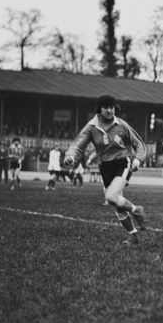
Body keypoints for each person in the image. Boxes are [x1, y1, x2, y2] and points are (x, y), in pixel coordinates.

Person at [64, 95, 147, 244]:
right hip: (105, 167)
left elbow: (139, 144)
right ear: (99, 109)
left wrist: (137, 160)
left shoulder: (122, 125)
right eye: (106, 108)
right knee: (116, 203)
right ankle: (133, 236)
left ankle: (136, 210)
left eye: (112, 107)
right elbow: (78, 145)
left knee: (110, 196)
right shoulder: (92, 127)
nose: (110, 111)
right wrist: (70, 156)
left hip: (123, 162)